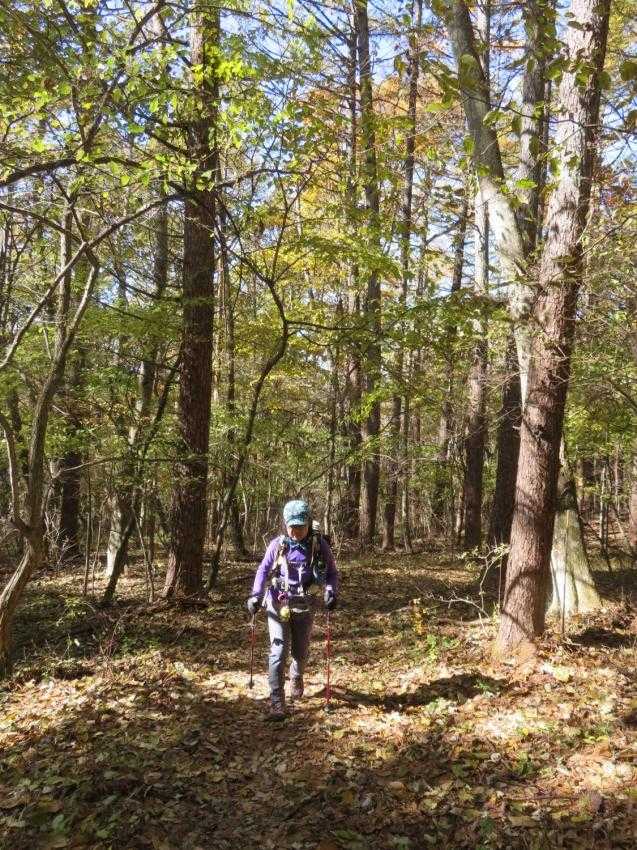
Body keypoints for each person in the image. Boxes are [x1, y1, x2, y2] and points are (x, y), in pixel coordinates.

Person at [246, 499, 338, 720]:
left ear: (308, 524)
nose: (295, 532)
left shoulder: (319, 546)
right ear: (285, 525)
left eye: (300, 527)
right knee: (278, 651)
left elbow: (333, 573)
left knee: (300, 651)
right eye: (292, 527)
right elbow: (263, 570)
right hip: (278, 603)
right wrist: (256, 595)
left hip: (306, 604)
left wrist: (331, 591)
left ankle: (296, 675)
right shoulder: (277, 545)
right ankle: (277, 703)